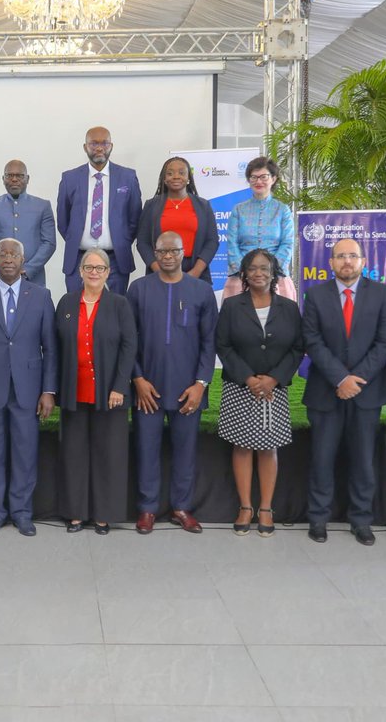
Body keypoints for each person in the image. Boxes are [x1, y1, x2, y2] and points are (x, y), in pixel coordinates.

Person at [302, 237, 386, 545]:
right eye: (340, 256)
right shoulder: (315, 295)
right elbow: (312, 341)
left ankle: (361, 519)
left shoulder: (381, 294)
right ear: (330, 263)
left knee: (363, 460)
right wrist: (340, 378)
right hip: (325, 391)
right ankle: (318, 518)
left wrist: (356, 379)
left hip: (366, 392)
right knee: (321, 459)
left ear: (363, 261)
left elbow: (385, 342)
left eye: (352, 256)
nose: (346, 261)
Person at [0, 238, 57, 537]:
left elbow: (50, 349)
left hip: (29, 388)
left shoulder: (41, 296)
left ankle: (22, 512)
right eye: (2, 253)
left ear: (22, 259)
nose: (8, 258)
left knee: (25, 452)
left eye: (14, 253)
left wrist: (48, 390)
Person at [127, 232, 217, 534]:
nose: (167, 256)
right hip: (147, 390)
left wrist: (201, 384)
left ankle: (182, 507)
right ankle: (147, 509)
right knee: (146, 449)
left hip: (187, 390)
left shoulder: (202, 291)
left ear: (183, 252)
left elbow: (209, 343)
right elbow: (130, 342)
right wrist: (137, 378)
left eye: (173, 250)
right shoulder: (138, 290)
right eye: (162, 251)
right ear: (154, 253)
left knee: (185, 450)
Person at [216, 249, 304, 537]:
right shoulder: (231, 305)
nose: (258, 273)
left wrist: (275, 378)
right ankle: (245, 507)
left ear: (274, 272)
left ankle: (265, 508)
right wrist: (248, 378)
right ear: (244, 273)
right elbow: (223, 345)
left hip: (273, 390)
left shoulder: (289, 308)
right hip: (240, 387)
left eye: (264, 268)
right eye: (252, 268)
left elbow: (297, 348)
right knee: (241, 446)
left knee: (268, 446)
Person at [56, 248, 137, 534]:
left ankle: (104, 515)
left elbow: (129, 347)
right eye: (88, 267)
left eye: (99, 268)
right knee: (74, 453)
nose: (93, 272)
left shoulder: (119, 304)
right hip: (73, 391)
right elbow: (56, 347)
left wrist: (119, 386)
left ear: (108, 273)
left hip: (109, 393)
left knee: (108, 454)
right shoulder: (66, 303)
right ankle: (76, 513)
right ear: (80, 271)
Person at [56, 126, 142, 295]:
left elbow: (135, 218)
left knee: (113, 312)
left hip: (115, 260)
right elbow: (63, 221)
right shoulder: (70, 178)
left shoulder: (128, 177)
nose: (99, 148)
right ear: (85, 147)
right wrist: (79, 240)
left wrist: (121, 239)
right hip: (78, 259)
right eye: (93, 143)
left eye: (104, 143)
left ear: (111, 146)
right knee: (78, 310)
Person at [135, 157, 219, 283]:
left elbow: (212, 241)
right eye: (170, 173)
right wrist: (159, 271)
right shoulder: (151, 206)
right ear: (164, 179)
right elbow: (143, 242)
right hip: (160, 272)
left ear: (189, 178)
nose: (175, 176)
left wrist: (195, 272)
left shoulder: (203, 206)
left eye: (181, 172)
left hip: (195, 272)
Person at [223, 157, 296, 300]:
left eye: (263, 177)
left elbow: (287, 244)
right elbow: (232, 244)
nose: (258, 181)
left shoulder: (282, 210)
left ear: (273, 179)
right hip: (241, 278)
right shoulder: (238, 210)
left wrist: (270, 271)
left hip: (276, 278)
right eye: (254, 177)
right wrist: (246, 271)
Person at [0, 159, 56, 285]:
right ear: (3, 179)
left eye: (20, 176)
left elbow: (49, 243)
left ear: (28, 179)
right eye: (10, 175)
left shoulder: (43, 206)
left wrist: (28, 270)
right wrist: (1, 270)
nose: (14, 179)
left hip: (33, 278)